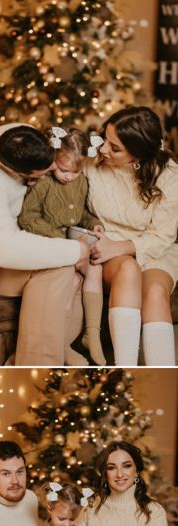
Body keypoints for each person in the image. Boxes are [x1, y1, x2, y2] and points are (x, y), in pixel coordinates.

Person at [0, 124, 92, 365]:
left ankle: (55, 350)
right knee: (57, 268)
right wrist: (75, 250)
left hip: (6, 240)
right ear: (12, 170)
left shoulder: (24, 136)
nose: (53, 172)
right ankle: (37, 364)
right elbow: (1, 250)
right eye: (36, 177)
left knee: (66, 268)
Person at [85, 106, 178, 366]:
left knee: (157, 292)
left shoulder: (169, 174)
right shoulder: (91, 164)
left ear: (137, 154)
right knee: (128, 270)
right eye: (105, 138)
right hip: (107, 246)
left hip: (154, 248)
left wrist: (121, 246)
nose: (103, 149)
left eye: (114, 148)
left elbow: (162, 237)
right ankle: (125, 368)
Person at [19, 126, 107, 365]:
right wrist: (58, 237)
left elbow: (84, 214)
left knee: (95, 269)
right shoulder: (45, 183)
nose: (68, 176)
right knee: (69, 279)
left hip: (75, 245)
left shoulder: (81, 183)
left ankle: (93, 334)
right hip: (52, 245)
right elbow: (27, 218)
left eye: (75, 172)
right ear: (53, 160)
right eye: (63, 169)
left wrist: (95, 224)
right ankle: (61, 345)